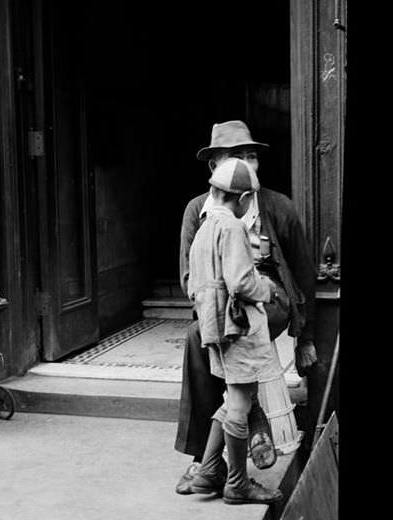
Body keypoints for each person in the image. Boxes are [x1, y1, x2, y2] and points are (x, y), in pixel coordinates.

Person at [175, 120, 318, 494]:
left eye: (251, 156)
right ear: (215, 166)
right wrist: (216, 308)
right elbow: (189, 277)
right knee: (198, 340)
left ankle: (213, 466)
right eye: (238, 157)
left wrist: (305, 337)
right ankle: (214, 459)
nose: (248, 165)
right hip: (228, 302)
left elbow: (303, 275)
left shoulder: (277, 206)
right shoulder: (199, 212)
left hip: (269, 303)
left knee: (223, 343)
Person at [185, 157, 283, 504]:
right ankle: (238, 484)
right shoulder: (233, 228)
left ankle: (210, 469)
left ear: (213, 191)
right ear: (242, 199)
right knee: (242, 402)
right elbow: (241, 282)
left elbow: (193, 286)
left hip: (214, 328)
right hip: (237, 328)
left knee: (232, 398)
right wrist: (267, 288)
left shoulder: (204, 230)